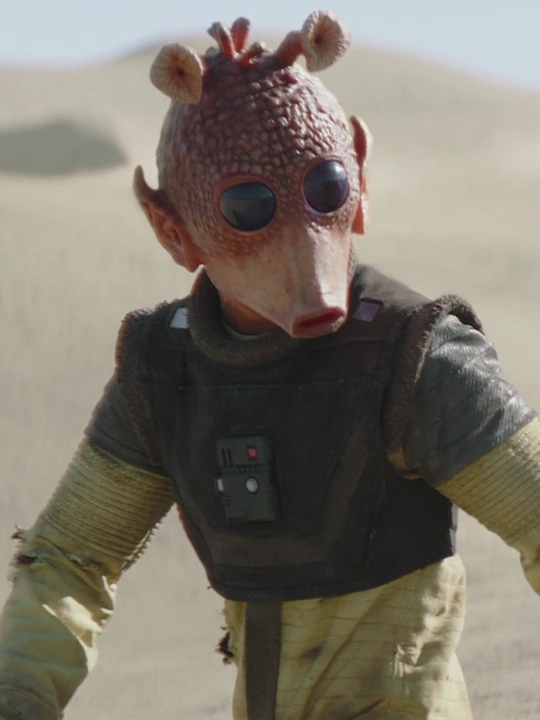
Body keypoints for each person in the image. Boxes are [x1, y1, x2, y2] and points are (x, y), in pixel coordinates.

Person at [1, 11, 540, 720]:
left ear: (360, 181)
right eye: (249, 205)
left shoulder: (416, 359)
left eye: (326, 188)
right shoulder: (165, 373)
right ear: (173, 230)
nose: (302, 242)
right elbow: (71, 561)